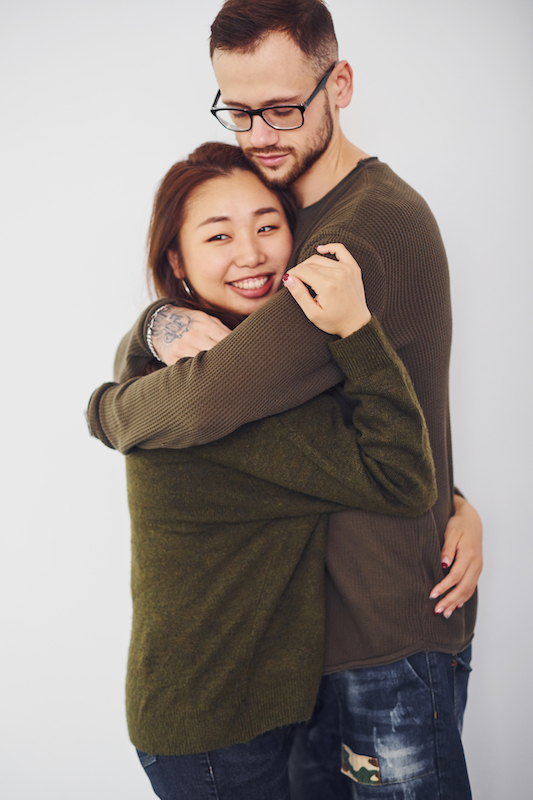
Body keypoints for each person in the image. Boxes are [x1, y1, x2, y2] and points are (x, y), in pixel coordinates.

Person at [89, 2, 483, 797]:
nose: (259, 133)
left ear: (338, 84)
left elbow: (208, 404)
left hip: (382, 637)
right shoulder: (288, 219)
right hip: (313, 643)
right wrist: (159, 322)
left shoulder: (356, 235)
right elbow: (317, 401)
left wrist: (106, 408)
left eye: (281, 108)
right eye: (238, 110)